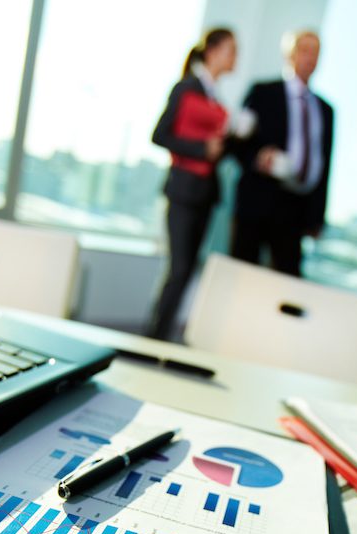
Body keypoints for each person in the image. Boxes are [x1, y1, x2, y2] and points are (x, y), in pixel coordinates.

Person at [148, 28, 237, 340]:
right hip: (183, 190)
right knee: (180, 268)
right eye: (231, 50)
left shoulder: (216, 98)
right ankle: (155, 336)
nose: (234, 57)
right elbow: (160, 135)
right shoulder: (185, 88)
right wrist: (202, 149)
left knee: (187, 270)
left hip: (206, 194)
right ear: (212, 51)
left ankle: (162, 334)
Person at [231, 30, 334, 277]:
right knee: (241, 275)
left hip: (295, 209)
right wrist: (258, 157)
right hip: (259, 200)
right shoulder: (263, 92)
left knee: (287, 279)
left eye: (316, 52)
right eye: (305, 50)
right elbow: (236, 143)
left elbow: (325, 164)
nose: (310, 58)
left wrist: (316, 217)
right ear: (290, 54)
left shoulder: (326, 110)